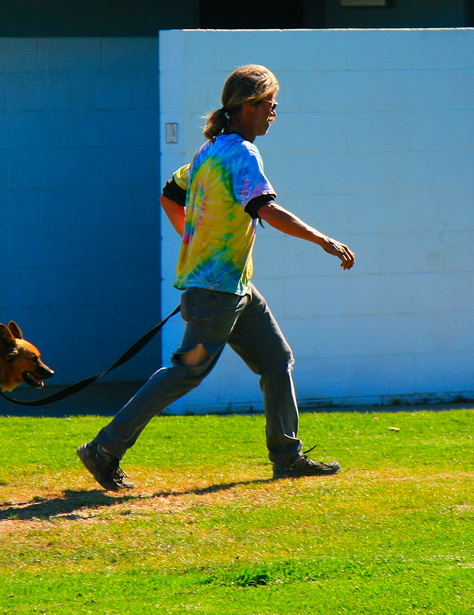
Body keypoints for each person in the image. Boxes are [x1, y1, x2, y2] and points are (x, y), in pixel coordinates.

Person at [78, 64, 355, 490]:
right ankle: (104, 448)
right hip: (215, 293)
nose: (274, 111)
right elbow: (265, 207)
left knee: (277, 362)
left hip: (234, 289)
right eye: (269, 103)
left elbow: (170, 195)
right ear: (248, 105)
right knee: (184, 372)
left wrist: (196, 240)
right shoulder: (241, 154)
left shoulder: (208, 151)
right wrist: (322, 239)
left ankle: (288, 457)